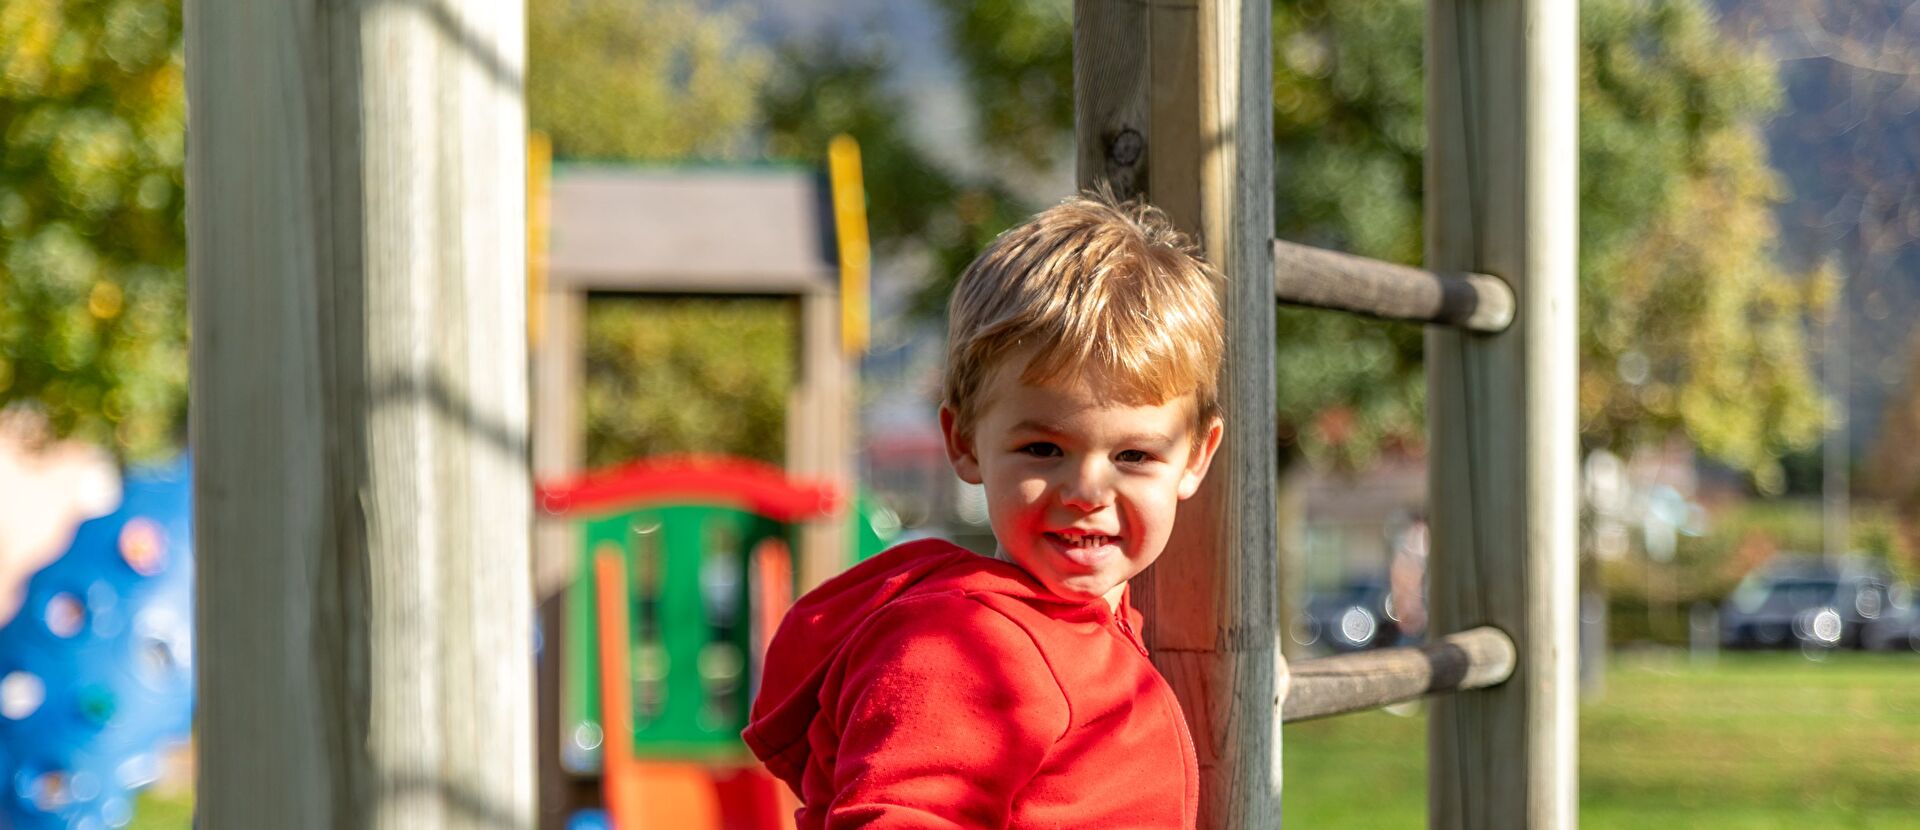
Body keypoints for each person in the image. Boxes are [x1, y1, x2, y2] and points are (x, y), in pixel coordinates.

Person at [744, 192, 1226, 828]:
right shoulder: (965, 648)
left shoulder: (1080, 624)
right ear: (965, 442)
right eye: (1043, 448)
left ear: (1195, 458)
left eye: (1133, 455)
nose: (1085, 489)